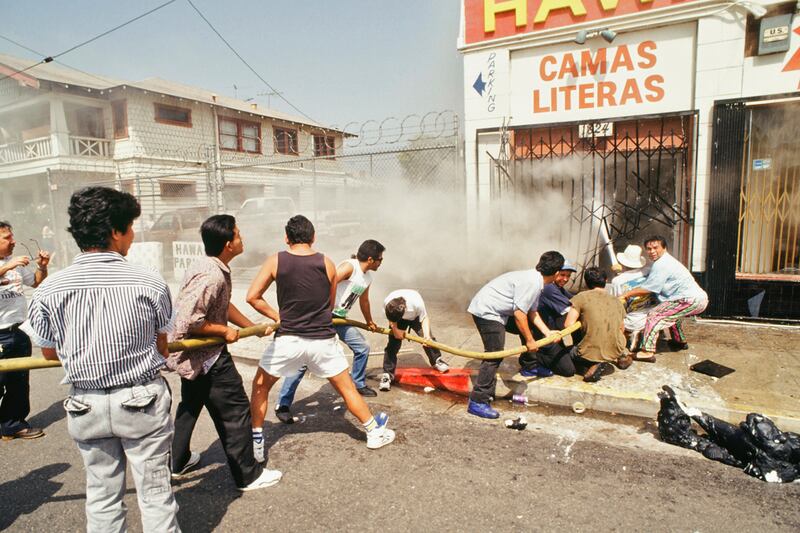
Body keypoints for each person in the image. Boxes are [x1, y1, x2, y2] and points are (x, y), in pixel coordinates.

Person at [26, 187, 179, 532]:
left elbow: (49, 351)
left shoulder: (50, 289)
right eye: (130, 227)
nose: (132, 235)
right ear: (114, 231)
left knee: (102, 495)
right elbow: (162, 344)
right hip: (141, 400)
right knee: (155, 494)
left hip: (85, 404)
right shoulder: (149, 281)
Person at [247, 216, 395, 463]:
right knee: (347, 388)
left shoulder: (275, 260)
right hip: (323, 339)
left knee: (261, 387)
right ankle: (373, 431)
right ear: (313, 237)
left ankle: (257, 443)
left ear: (286, 237)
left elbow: (253, 297)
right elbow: (329, 302)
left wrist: (278, 316)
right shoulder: (326, 262)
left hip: (289, 338)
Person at [167, 214, 282, 491]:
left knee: (190, 406)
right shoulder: (211, 275)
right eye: (239, 235)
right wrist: (222, 331)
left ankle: (178, 462)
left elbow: (223, 305)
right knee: (236, 411)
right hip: (209, 358)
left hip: (197, 358)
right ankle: (248, 475)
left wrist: (251, 327)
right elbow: (189, 320)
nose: (243, 239)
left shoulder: (209, 266)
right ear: (228, 244)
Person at [273, 239, 385, 423]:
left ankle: (358, 384)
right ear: (371, 259)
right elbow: (324, 282)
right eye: (380, 259)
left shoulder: (367, 277)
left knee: (362, 347)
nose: (381, 262)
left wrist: (370, 321)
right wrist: (316, 311)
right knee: (303, 360)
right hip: (323, 316)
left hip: (339, 319)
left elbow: (364, 301)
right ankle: (283, 404)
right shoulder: (350, 267)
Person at [465, 251, 563, 419]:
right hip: (486, 312)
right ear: (556, 273)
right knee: (494, 354)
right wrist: (531, 341)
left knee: (530, 328)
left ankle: (529, 366)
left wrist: (547, 332)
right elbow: (519, 315)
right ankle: (478, 400)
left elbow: (532, 312)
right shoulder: (532, 282)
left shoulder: (536, 280)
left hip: (500, 310)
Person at [620, 236, 709, 362]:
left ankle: (647, 351)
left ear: (664, 248)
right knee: (670, 313)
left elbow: (649, 288)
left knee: (654, 315)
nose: (652, 251)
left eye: (656, 248)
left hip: (688, 299)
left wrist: (626, 295)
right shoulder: (667, 261)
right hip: (699, 299)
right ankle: (679, 341)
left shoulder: (662, 263)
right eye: (649, 249)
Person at [0, 221, 49, 441]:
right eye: (6, 238)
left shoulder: (16, 264)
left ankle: (12, 425)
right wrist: (6, 268)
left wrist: (42, 267)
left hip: (17, 332)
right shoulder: (10, 265)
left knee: (18, 383)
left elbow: (36, 282)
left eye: (12, 236)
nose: (13, 241)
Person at [565, 267, 632, 382]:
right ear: (606, 281)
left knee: (567, 353)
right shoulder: (616, 301)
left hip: (588, 351)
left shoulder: (581, 297)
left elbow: (568, 324)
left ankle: (594, 363)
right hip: (617, 347)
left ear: (586, 282)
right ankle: (619, 355)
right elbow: (621, 329)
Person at [378, 289, 450, 392]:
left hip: (415, 317)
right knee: (393, 344)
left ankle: (436, 360)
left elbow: (424, 318)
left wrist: (426, 336)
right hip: (397, 319)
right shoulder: (388, 303)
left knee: (429, 339)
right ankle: (387, 374)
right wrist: (395, 329)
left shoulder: (416, 303)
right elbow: (391, 320)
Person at [533, 260, 584, 377]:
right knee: (568, 371)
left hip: (553, 332)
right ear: (555, 273)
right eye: (562, 275)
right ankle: (534, 357)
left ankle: (573, 352)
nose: (565, 279)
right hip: (545, 337)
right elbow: (573, 306)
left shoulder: (558, 287)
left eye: (568, 276)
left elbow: (575, 300)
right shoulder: (549, 288)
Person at [609, 244, 658, 349]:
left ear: (622, 261)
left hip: (632, 321)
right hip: (651, 317)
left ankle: (626, 336)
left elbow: (614, 302)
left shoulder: (617, 281)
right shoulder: (650, 271)